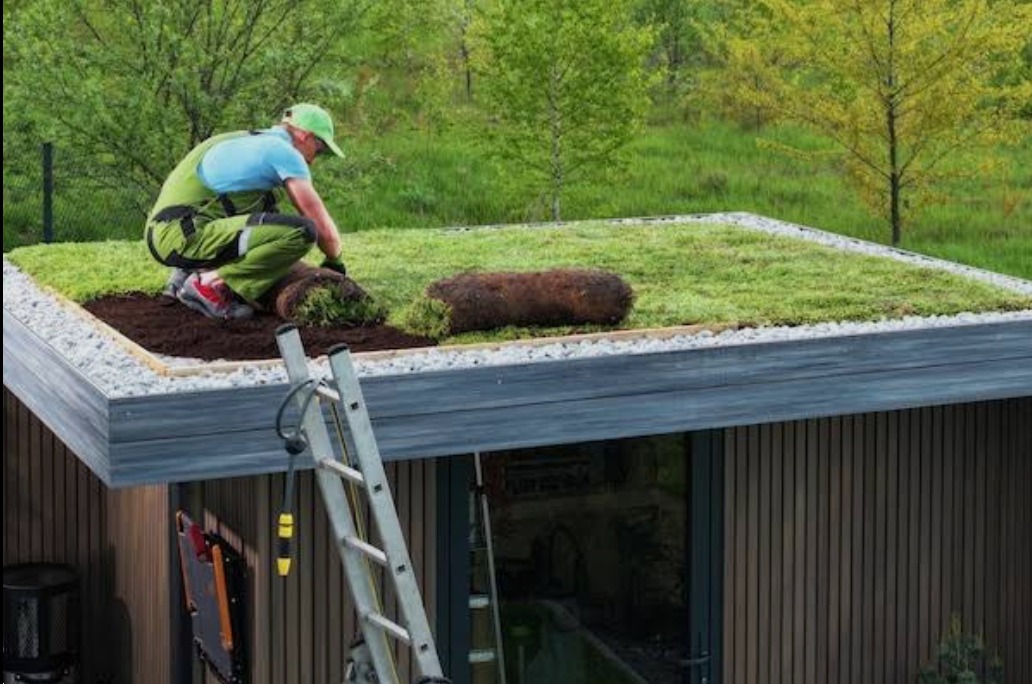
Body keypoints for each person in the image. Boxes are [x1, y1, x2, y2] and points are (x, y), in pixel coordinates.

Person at [145, 103, 347, 319]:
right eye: (320, 149)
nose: (314, 160)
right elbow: (322, 227)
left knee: (267, 208)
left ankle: (183, 276)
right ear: (305, 136)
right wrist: (335, 262)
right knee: (302, 232)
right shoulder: (284, 152)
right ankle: (209, 285)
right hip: (184, 237)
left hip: (166, 233)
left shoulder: (236, 140)